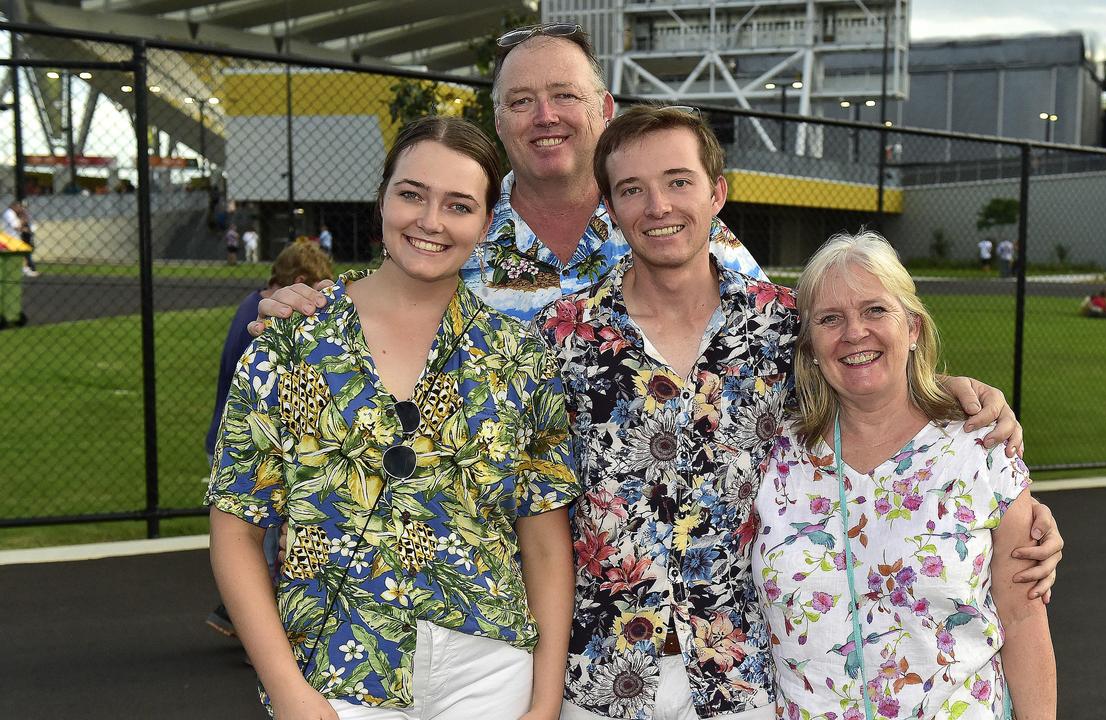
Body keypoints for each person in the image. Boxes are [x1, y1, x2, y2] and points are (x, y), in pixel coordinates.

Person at [533, 106, 1060, 720]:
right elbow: (535, 509)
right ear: (611, 206)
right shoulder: (560, 342)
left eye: (679, 181)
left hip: (739, 682)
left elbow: (867, 363)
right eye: (632, 189)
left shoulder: (781, 326)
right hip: (603, 676)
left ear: (717, 193)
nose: (658, 206)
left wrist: (964, 405)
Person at [207, 117, 579, 720]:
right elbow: (236, 530)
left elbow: (542, 540)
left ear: (487, 225)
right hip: (335, 668)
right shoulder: (291, 342)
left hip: (487, 670)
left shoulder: (519, 356)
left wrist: (544, 701)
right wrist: (287, 689)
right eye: (412, 194)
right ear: (381, 199)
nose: (430, 221)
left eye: (459, 205)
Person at [252, 22, 764, 329]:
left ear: (605, 109)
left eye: (565, 95)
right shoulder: (455, 232)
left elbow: (776, 333)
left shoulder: (675, 228)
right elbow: (382, 303)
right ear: (498, 122)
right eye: (521, 101)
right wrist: (308, 307)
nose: (545, 116)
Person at [753, 231, 1056, 719]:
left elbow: (1022, 618)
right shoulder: (772, 456)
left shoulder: (980, 447)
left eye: (875, 310)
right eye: (831, 319)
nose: (855, 333)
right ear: (809, 346)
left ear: (913, 328)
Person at [204, 239, 334, 638]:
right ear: (298, 282)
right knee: (267, 548)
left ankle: (234, 616)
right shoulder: (269, 325)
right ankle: (256, 633)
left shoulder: (250, 304)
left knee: (257, 544)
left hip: (229, 440)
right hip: (255, 446)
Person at [3, 200, 37, 277]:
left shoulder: (12, 213)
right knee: (22, 252)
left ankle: (24, 269)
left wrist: (24, 223)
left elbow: (18, 225)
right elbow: (16, 226)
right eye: (18, 206)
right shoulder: (9, 213)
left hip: (13, 237)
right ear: (14, 206)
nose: (19, 208)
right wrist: (25, 225)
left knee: (21, 253)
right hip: (11, 237)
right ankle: (25, 269)